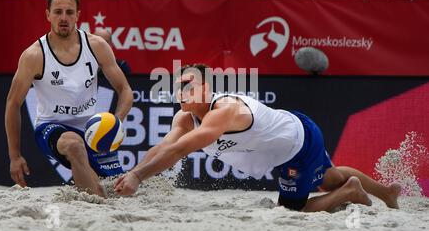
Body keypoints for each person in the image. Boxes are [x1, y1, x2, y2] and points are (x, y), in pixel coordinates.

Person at [114, 64, 402, 212]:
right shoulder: (184, 117)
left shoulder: (223, 110)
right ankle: (385, 193)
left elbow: (178, 150)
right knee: (330, 177)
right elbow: (165, 146)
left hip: (295, 147)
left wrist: (138, 178)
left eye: (189, 86)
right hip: (291, 132)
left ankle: (351, 192)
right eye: (178, 86)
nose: (181, 92)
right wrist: (133, 173)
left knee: (293, 211)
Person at [5, 0, 134, 197]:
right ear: (48, 15)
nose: (63, 18)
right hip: (51, 126)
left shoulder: (96, 46)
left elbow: (125, 90)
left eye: (69, 12)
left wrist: (115, 122)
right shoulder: (34, 56)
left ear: (77, 15)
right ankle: (96, 207)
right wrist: (14, 156)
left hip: (92, 128)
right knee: (74, 146)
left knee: (121, 191)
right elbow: (13, 103)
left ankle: (95, 194)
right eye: (57, 12)